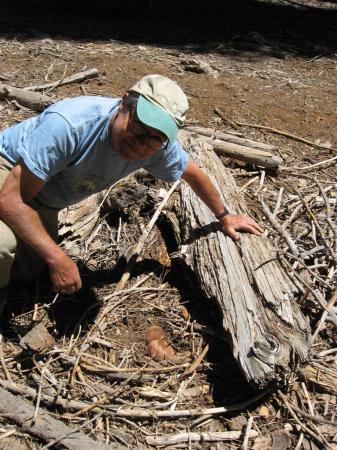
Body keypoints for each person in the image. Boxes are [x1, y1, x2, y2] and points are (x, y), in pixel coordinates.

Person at [0, 74, 262, 304]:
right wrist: (57, 257)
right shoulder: (71, 125)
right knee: (3, 247)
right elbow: (11, 200)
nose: (141, 144)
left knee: (26, 275)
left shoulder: (156, 145)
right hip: (8, 170)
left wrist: (225, 217)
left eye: (156, 137)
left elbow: (193, 174)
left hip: (45, 199)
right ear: (124, 102)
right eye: (138, 128)